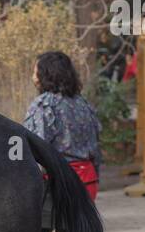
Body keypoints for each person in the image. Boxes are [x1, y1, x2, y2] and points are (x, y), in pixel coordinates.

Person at [22, 51, 102, 200]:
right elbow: (96, 147)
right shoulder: (83, 104)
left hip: (59, 184)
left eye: (35, 72)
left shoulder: (43, 106)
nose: (33, 77)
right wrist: (96, 175)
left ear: (45, 75)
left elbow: (36, 147)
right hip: (88, 180)